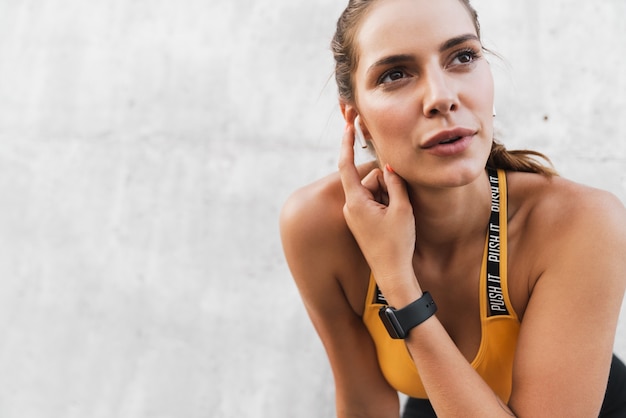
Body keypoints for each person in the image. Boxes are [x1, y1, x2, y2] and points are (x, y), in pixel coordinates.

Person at [279, 0, 626, 416]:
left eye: (463, 57)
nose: (441, 98)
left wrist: (398, 283)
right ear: (357, 120)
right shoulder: (318, 224)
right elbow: (365, 404)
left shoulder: (581, 223)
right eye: (395, 74)